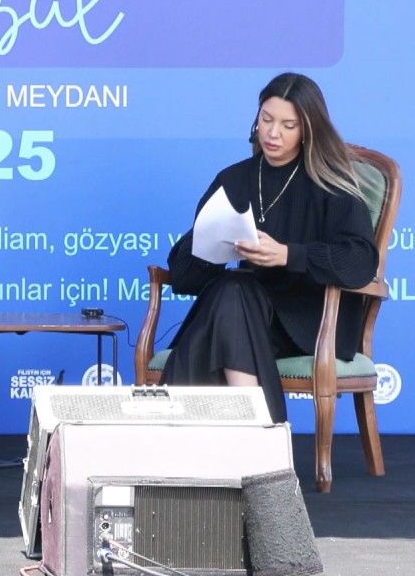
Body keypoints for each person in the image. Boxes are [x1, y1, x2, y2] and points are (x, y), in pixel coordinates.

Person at [160, 72, 378, 423]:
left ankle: (194, 435)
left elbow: (361, 261)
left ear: (308, 129)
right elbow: (183, 276)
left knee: (228, 301)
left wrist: (289, 255)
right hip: (246, 311)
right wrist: (215, 250)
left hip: (311, 321)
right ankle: (259, 432)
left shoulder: (332, 183)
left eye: (288, 125)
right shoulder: (234, 180)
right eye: (266, 119)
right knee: (232, 289)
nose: (273, 133)